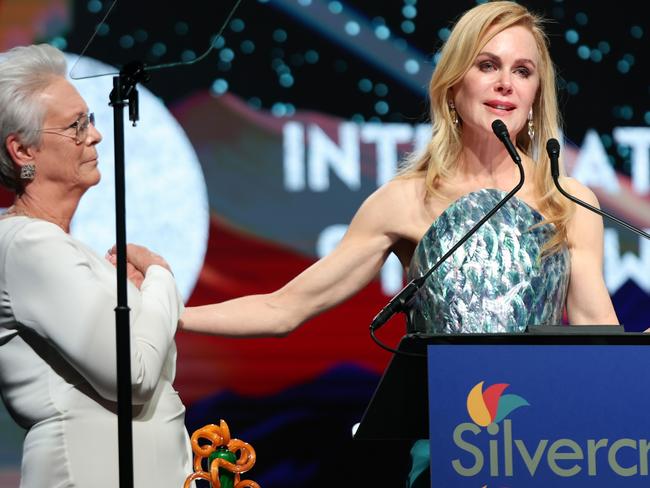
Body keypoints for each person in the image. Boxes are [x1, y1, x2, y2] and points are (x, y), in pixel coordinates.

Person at [174, 1, 619, 486]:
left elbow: (600, 337)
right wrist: (169, 315)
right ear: (453, 84)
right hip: (450, 454)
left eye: (523, 70)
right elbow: (284, 308)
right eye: (487, 65)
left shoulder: (569, 199)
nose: (505, 84)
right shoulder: (405, 200)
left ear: (537, 92)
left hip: (548, 452)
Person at [0, 44, 192, 487]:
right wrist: (160, 276)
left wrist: (142, 295)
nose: (96, 135)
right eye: (75, 125)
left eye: (89, 119)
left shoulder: (70, 252)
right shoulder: (27, 245)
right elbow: (134, 378)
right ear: (23, 150)